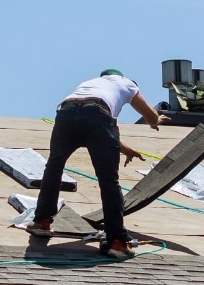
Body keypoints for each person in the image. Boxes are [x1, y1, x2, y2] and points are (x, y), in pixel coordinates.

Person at [26, 69, 164, 258]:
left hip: (67, 112)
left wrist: (125, 149)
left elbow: (96, 123)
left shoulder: (90, 84)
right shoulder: (127, 83)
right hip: (98, 115)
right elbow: (146, 115)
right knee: (109, 180)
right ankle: (117, 241)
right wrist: (156, 119)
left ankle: (42, 222)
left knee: (54, 166)